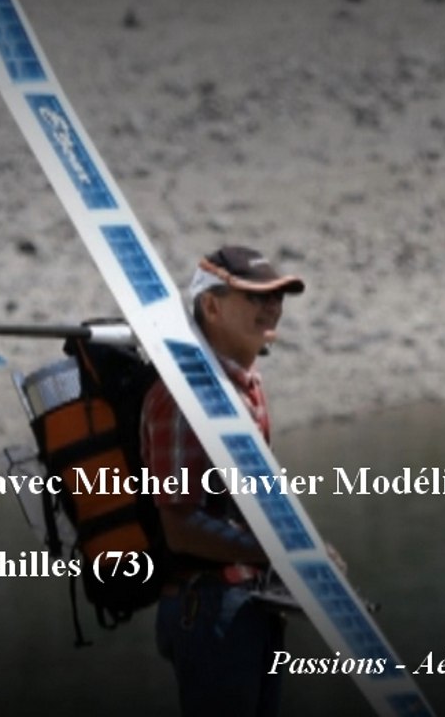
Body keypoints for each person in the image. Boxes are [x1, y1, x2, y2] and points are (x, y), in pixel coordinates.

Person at [140, 245, 305, 717]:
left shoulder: (246, 385)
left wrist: (303, 550)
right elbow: (179, 524)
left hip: (249, 602)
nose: (272, 307)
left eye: (277, 297)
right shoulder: (180, 396)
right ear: (211, 306)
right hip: (208, 607)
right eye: (255, 297)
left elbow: (252, 505)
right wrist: (280, 553)